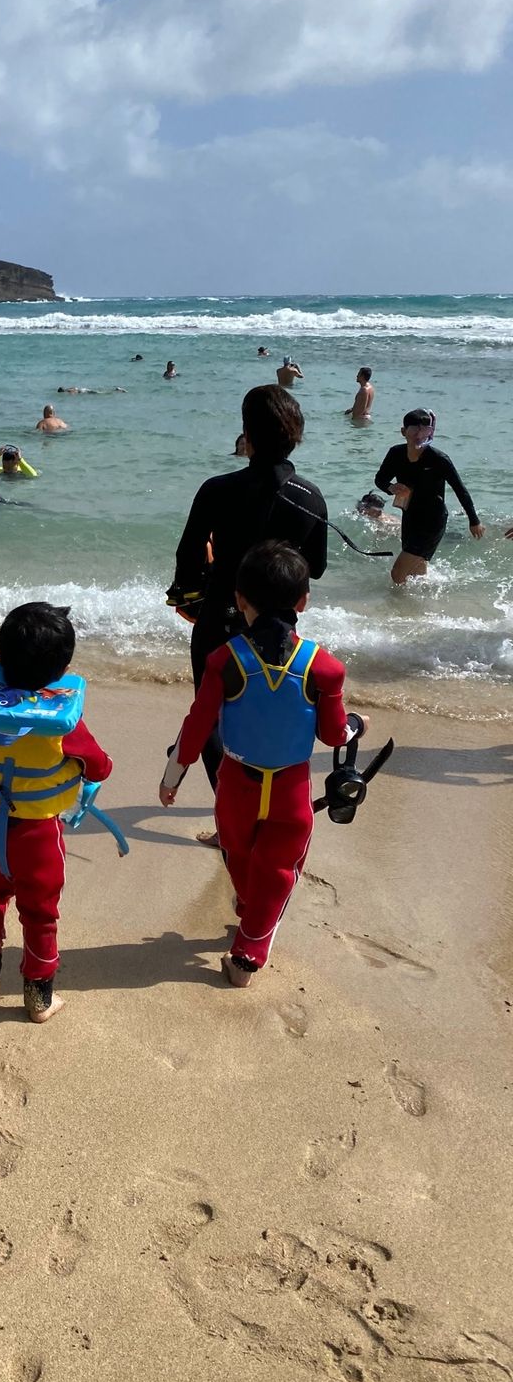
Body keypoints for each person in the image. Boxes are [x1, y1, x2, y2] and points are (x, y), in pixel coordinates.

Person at [159, 542, 365, 987]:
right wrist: (354, 726)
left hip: (235, 782)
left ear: (239, 600)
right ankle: (249, 951)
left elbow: (197, 725)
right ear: (303, 601)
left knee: (237, 852)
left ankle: (249, 915)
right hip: (290, 787)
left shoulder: (225, 660)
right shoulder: (324, 668)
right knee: (278, 868)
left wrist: (172, 775)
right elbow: (333, 735)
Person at [172, 384, 328, 808]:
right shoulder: (310, 496)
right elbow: (315, 567)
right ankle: (265, 806)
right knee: (266, 711)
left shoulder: (216, 489)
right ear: (295, 433)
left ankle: (232, 811)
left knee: (208, 717)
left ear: (248, 434)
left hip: (220, 614)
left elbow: (187, 557)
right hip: (278, 626)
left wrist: (195, 590)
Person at [0, 602, 111, 1023]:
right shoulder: (61, 726)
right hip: (38, 835)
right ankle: (39, 996)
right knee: (40, 912)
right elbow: (98, 764)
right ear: (62, 667)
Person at [373, 408, 484, 583]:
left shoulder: (439, 459)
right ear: (404, 431)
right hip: (410, 516)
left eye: (424, 430)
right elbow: (380, 479)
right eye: (415, 429)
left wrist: (474, 520)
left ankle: (400, 603)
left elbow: (460, 489)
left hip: (433, 519)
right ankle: (419, 605)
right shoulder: (396, 453)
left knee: (398, 573)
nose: (419, 434)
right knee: (417, 568)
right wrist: (391, 487)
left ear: (430, 433)